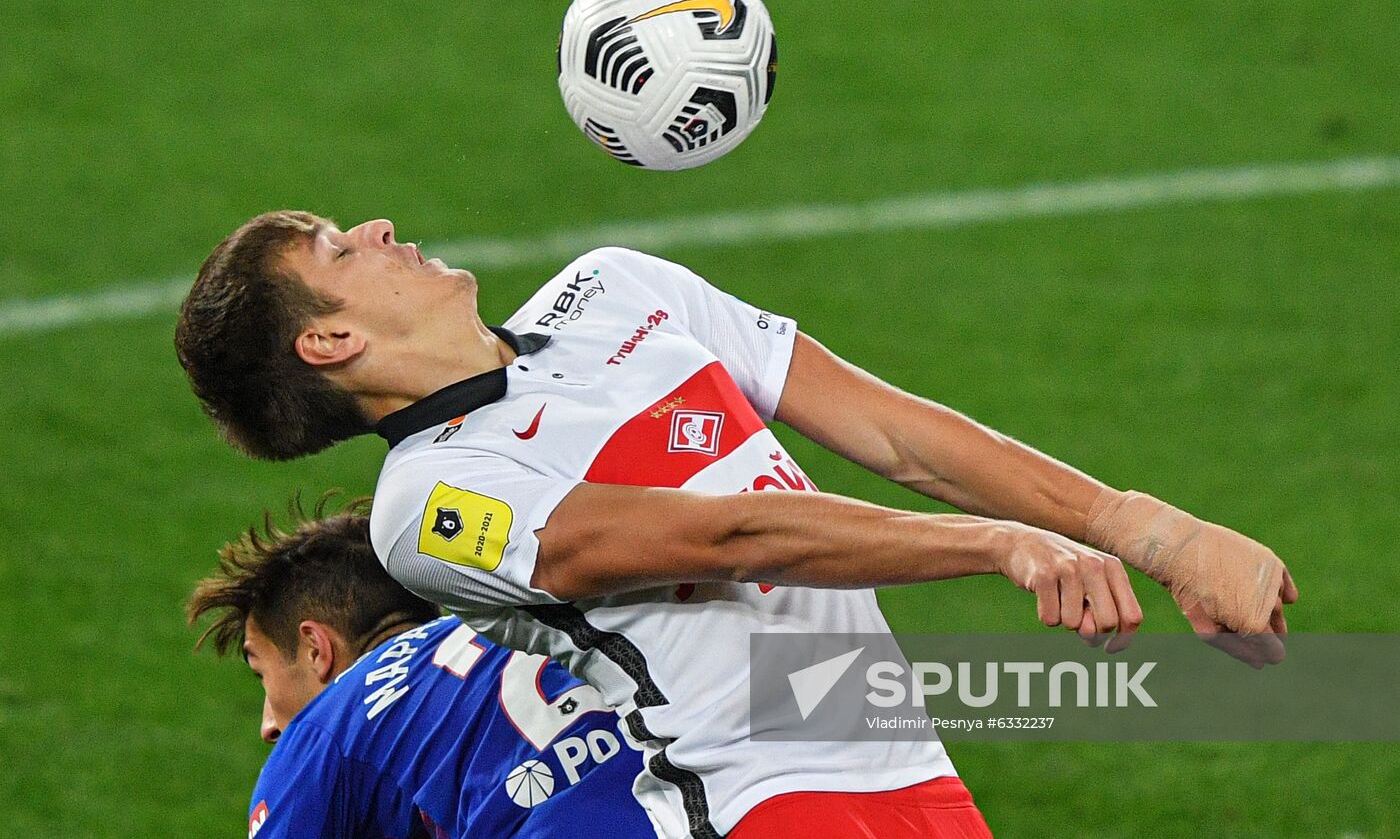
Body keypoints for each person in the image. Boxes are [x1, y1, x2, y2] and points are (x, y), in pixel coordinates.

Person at [176, 212, 1296, 839]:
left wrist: (1148, 528)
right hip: (751, 806)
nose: (375, 226)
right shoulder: (431, 505)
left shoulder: (620, 290)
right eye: (335, 248)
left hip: (907, 775)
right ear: (328, 345)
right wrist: (999, 545)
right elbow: (731, 537)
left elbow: (898, 436)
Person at [187, 497, 654, 839]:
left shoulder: (323, 731)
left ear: (315, 648)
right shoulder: (519, 626)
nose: (270, 725)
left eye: (262, 674)